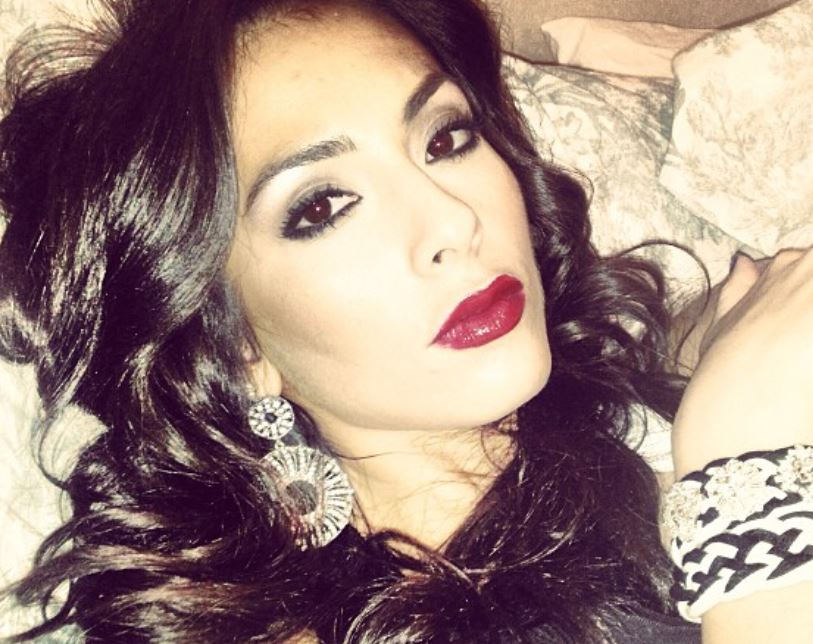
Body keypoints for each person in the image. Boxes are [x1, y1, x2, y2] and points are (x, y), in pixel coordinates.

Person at [0, 0, 810, 641]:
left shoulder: (641, 413)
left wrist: (710, 359)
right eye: (323, 206)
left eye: (446, 138)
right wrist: (750, 493)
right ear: (236, 343)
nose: (454, 219)